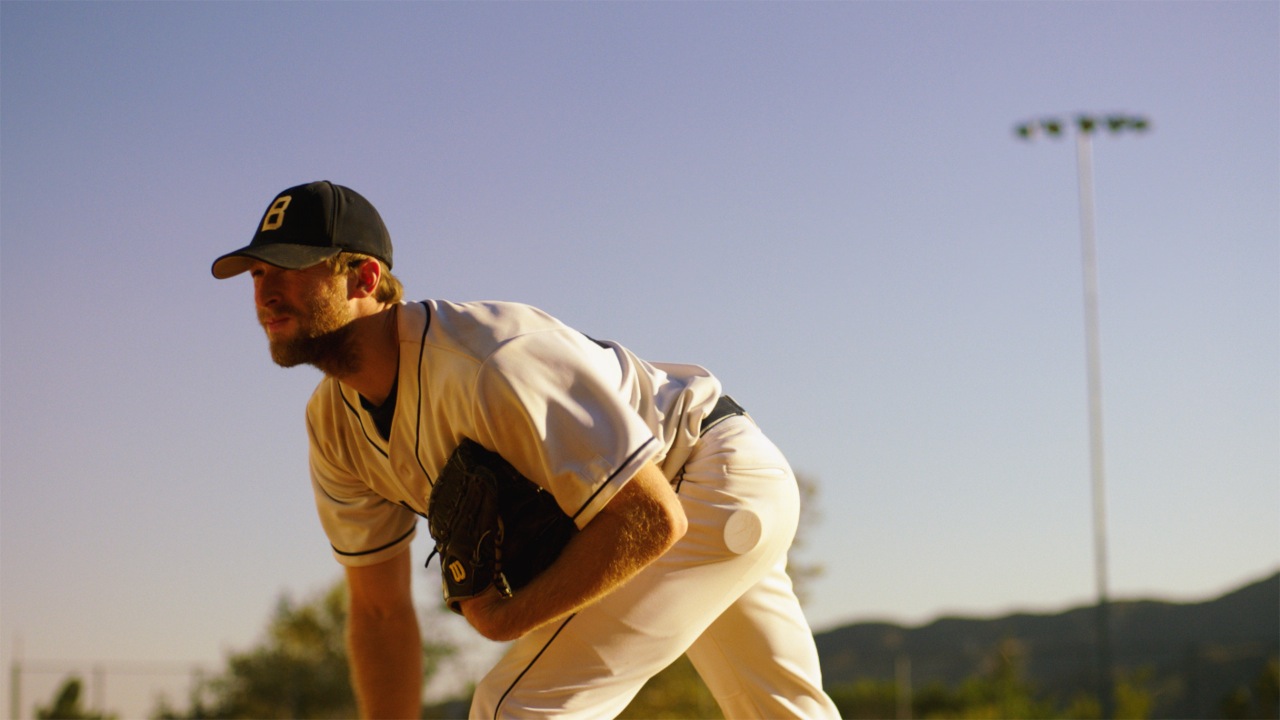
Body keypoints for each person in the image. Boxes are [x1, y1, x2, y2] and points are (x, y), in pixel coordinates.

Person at [212, 180, 841, 720]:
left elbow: (649, 517)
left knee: (516, 707)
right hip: (697, 500)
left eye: (292, 270)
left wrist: (504, 619)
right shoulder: (334, 427)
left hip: (702, 477)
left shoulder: (489, 359)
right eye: (259, 273)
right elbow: (379, 612)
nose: (265, 294)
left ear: (366, 277)